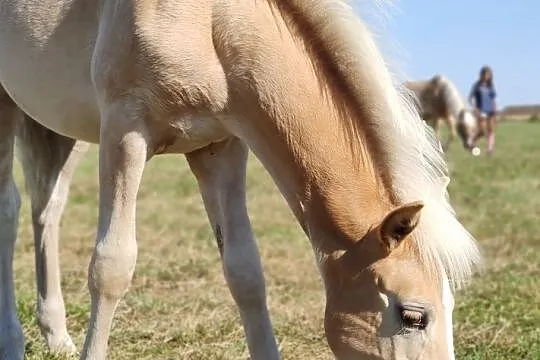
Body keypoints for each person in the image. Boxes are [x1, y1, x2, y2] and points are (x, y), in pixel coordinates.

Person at [468, 66, 498, 155]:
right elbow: (470, 98)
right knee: (482, 131)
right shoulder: (477, 86)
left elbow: (493, 99)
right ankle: (471, 142)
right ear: (481, 75)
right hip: (481, 111)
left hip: (491, 111)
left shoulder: (490, 86)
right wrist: (475, 108)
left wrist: (495, 109)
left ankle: (490, 149)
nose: (486, 76)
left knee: (491, 130)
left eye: (488, 75)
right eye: (485, 74)